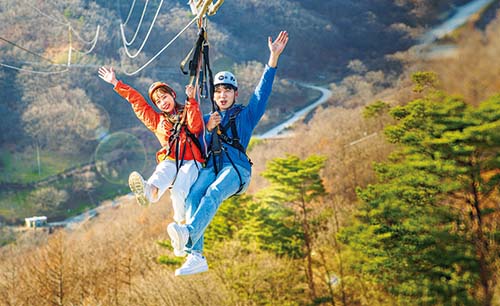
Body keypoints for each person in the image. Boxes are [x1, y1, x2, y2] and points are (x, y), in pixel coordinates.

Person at [166, 30, 289, 276]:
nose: (222, 95)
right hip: (212, 167)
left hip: (236, 169)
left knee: (213, 193)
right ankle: (196, 256)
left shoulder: (246, 115)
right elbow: (193, 140)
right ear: (213, 95)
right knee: (193, 196)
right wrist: (208, 129)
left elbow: (261, 93)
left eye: (227, 91)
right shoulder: (207, 118)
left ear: (235, 94)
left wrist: (272, 59)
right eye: (218, 91)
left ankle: (189, 235)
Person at [98, 67, 205, 256]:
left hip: (191, 160)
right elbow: (138, 102)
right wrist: (116, 83)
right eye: (158, 101)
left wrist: (192, 101)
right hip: (171, 158)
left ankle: (181, 227)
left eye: (165, 97)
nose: (163, 102)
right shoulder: (157, 121)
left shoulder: (186, 110)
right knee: (162, 170)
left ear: (173, 95)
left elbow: (196, 126)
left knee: (179, 190)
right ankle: (150, 191)